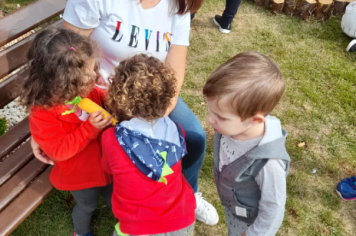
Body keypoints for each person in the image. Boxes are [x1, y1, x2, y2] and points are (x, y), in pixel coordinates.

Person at [31, 0, 219, 225]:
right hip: (102, 94)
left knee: (194, 136)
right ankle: (137, 193)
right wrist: (39, 126)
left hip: (151, 95)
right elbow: (61, 63)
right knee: (120, 162)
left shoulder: (179, 4)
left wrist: (156, 113)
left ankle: (188, 191)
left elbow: (176, 66)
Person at [19, 28, 113, 236]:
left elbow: (97, 93)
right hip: (80, 175)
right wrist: (90, 128)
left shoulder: (83, 88)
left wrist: (109, 96)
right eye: (89, 76)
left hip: (105, 163)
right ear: (67, 84)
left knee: (114, 197)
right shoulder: (43, 114)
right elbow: (59, 150)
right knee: (87, 206)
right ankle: (81, 232)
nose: (95, 76)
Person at [101, 54, 196, 236]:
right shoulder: (177, 131)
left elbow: (107, 167)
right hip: (181, 220)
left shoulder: (111, 139)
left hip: (137, 227)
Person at [202, 51, 290, 236]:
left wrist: (255, 234)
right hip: (233, 210)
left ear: (255, 120)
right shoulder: (231, 127)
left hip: (249, 224)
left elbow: (273, 208)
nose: (210, 120)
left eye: (220, 117)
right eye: (210, 111)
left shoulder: (269, 164)